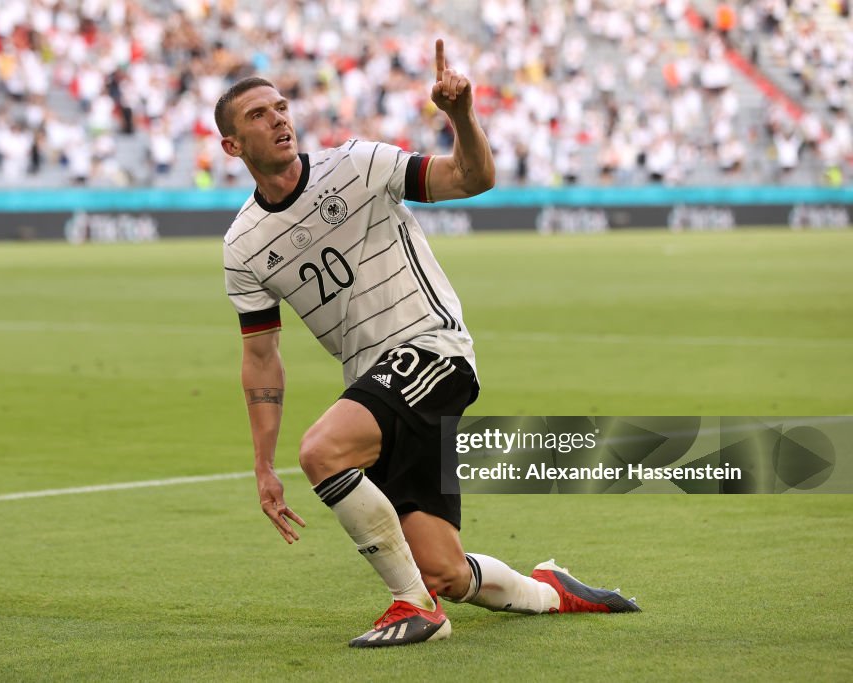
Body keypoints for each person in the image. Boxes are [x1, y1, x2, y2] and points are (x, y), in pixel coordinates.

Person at [218, 40, 639, 649]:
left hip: (432, 350)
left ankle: (413, 608)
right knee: (446, 570)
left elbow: (472, 178)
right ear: (232, 147)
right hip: (376, 385)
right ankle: (552, 589)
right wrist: (262, 463)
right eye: (258, 115)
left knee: (323, 452)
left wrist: (460, 114)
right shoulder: (244, 246)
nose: (278, 118)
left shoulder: (358, 164)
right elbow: (261, 357)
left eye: (281, 106)